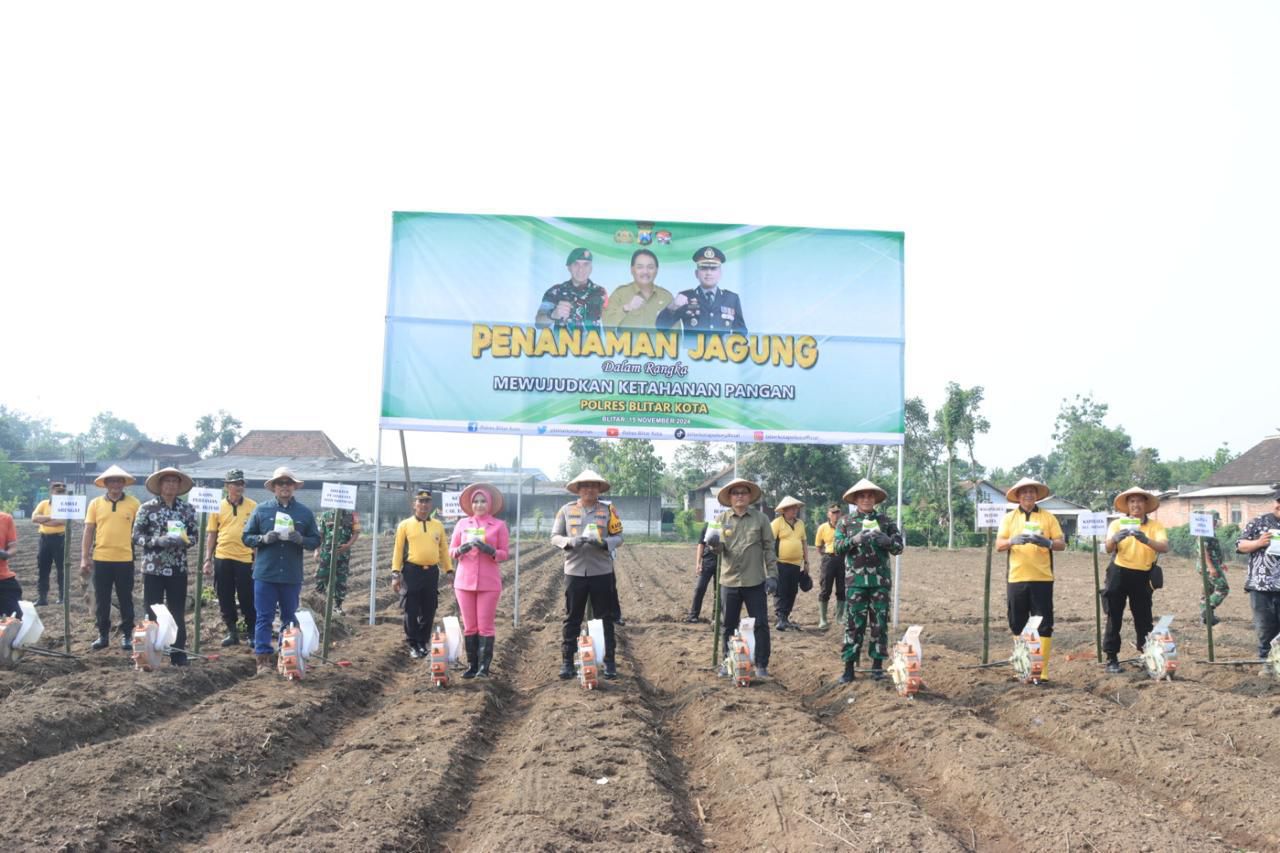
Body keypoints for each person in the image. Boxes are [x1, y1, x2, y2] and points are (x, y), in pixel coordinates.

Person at [242, 467, 320, 675]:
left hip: (291, 574)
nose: (284, 486)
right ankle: (263, 660)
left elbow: (316, 540)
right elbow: (246, 536)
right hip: (265, 573)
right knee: (264, 617)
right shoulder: (261, 510)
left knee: (289, 617)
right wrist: (262, 539)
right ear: (274, 488)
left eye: (288, 483)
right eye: (280, 483)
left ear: (294, 487)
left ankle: (288, 657)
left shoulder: (304, 513)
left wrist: (301, 539)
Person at [551, 469, 623, 681]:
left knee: (605, 618)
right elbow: (554, 536)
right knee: (572, 617)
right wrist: (568, 542)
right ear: (578, 489)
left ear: (599, 489)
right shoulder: (566, 510)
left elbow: (619, 537)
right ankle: (567, 661)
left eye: (594, 486)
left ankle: (609, 661)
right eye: (585, 486)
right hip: (574, 571)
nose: (589, 489)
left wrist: (604, 543)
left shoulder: (608, 510)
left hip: (601, 571)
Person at [833, 478, 904, 683]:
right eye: (862, 496)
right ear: (855, 499)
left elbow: (899, 547)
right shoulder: (845, 522)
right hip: (855, 582)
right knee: (854, 624)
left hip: (879, 582)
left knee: (879, 624)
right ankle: (848, 667)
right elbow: (837, 548)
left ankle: (877, 667)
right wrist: (853, 541)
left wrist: (888, 541)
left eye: (870, 495)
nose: (866, 499)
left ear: (875, 499)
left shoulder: (886, 521)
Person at [995, 477, 1066, 681]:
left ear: (1037, 495)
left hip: (1042, 578)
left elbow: (1061, 543)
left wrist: (1048, 542)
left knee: (1043, 623)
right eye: (1024, 492)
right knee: (1017, 622)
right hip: (1016, 578)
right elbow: (998, 545)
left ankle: (1041, 671)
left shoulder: (1048, 518)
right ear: (1017, 496)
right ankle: (1022, 666)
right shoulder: (1009, 519)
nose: (1028, 495)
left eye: (1032, 492)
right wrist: (1011, 541)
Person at [708, 477, 777, 679]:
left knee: (761, 624)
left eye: (743, 492)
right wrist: (714, 544)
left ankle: (762, 664)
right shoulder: (721, 520)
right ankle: (726, 661)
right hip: (728, 580)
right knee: (727, 624)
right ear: (730, 497)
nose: (739, 496)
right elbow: (718, 550)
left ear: (749, 496)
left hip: (755, 580)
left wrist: (772, 575)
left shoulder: (761, 519)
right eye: (735, 493)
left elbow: (769, 548)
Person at [132, 467, 199, 666]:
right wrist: (156, 541)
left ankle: (178, 654)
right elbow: (136, 536)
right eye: (167, 481)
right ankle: (149, 655)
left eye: (174, 481)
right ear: (160, 485)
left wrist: (184, 541)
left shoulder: (187, 510)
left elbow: (195, 536)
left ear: (179, 486)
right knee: (151, 611)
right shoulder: (146, 508)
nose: (171, 484)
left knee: (177, 611)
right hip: (153, 568)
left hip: (178, 568)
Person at [1102, 487, 1169, 674]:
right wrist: (1115, 539)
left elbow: (1164, 546)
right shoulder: (1117, 524)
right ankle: (1111, 657)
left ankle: (1147, 655)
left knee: (1144, 618)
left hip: (1142, 575)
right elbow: (1107, 548)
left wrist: (1145, 539)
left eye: (1140, 501)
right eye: (1132, 501)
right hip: (1119, 572)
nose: (1136, 505)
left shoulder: (1155, 526)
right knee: (1114, 616)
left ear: (1146, 505)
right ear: (1127, 506)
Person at [450, 483, 509, 678]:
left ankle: (484, 668)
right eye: (475, 501)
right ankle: (472, 665)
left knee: (485, 625)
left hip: (488, 582)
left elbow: (504, 553)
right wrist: (460, 550)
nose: (479, 504)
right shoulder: (462, 524)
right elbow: (451, 550)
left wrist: (490, 550)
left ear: (490, 504)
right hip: (464, 581)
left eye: (483, 501)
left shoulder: (499, 525)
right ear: (471, 504)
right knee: (469, 625)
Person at [81, 465, 141, 651]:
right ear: (106, 484)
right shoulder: (95, 504)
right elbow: (89, 530)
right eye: (112, 481)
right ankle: (103, 635)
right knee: (102, 599)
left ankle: (127, 636)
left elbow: (139, 530)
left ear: (124, 484)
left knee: (125, 598)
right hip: (101, 558)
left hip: (125, 558)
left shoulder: (134, 504)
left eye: (118, 481)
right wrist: (85, 557)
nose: (115, 484)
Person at [392, 490, 453, 659]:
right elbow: (398, 550)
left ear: (430, 505)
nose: (424, 505)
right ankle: (413, 643)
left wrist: (449, 570)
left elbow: (443, 549)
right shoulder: (405, 525)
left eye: (427, 502)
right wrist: (395, 573)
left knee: (429, 608)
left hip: (431, 572)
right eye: (420, 501)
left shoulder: (438, 526)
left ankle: (423, 642)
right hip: (412, 571)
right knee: (411, 608)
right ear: (414, 504)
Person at [202, 469, 257, 647]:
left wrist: (257, 559)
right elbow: (212, 534)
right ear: (227, 486)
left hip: (245, 557)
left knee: (247, 596)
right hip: (223, 556)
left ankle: (251, 632)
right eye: (235, 483)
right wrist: (208, 559)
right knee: (224, 595)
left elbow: (257, 534)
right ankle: (231, 631)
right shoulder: (217, 506)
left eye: (241, 483)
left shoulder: (252, 506)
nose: (239, 487)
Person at [655, 246, 747, 335]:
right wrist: (672, 307)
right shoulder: (686, 297)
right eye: (704, 268)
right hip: (693, 351)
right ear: (696, 273)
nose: (708, 273)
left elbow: (741, 333)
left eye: (713, 268)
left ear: (720, 273)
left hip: (722, 350)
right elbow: (661, 327)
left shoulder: (731, 298)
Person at [1236, 486, 1280, 663]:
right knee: (1265, 628)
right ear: (1275, 503)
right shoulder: (1258, 522)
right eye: (1278, 502)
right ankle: (1266, 663)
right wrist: (1259, 542)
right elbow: (1240, 545)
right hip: (1261, 586)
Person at [534, 248, 607, 331]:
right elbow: (539, 323)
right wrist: (553, 314)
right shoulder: (555, 291)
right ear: (569, 267)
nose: (581, 269)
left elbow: (610, 321)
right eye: (576, 264)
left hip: (593, 343)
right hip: (563, 343)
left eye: (586, 264)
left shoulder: (600, 292)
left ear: (591, 268)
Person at [600, 248, 673, 328]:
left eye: (650, 267)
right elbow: (605, 323)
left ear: (657, 270)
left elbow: (677, 331)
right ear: (632, 270)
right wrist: (627, 308)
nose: (645, 272)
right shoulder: (620, 294)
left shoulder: (666, 297)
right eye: (640, 267)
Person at [770, 495, 810, 631]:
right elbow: (769, 542)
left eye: (796, 508)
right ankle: (780, 617)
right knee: (780, 590)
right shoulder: (777, 523)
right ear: (784, 510)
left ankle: (785, 617)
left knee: (792, 590)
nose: (795, 511)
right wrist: (771, 561)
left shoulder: (800, 524)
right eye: (792, 509)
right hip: (780, 562)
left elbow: (804, 542)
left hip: (795, 564)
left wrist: (806, 561)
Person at [315, 506, 361, 615]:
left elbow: (356, 533)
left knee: (340, 580)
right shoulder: (325, 516)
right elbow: (320, 535)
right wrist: (317, 550)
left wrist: (348, 545)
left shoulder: (352, 516)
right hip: (327, 553)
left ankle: (338, 606)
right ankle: (318, 604)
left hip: (343, 554)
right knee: (321, 576)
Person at [30, 481, 68, 606]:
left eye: (63, 490)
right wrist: (53, 517)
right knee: (43, 568)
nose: (60, 491)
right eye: (58, 490)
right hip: (44, 539)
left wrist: (44, 519)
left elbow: (62, 521)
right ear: (51, 492)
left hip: (60, 539)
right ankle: (42, 597)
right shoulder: (43, 503)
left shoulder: (67, 505)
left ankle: (63, 597)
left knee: (62, 569)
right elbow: (34, 518)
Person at [814, 503, 845, 630]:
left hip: (843, 559)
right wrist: (826, 555)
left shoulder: (844, 527)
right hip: (828, 559)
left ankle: (839, 618)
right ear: (828, 514)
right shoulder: (822, 528)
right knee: (825, 588)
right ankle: (823, 619)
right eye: (833, 513)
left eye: (837, 512)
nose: (835, 515)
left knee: (842, 589)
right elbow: (818, 545)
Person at [684, 519, 720, 623]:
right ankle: (693, 615)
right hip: (707, 562)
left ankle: (716, 618)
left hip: (723, 564)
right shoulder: (708, 525)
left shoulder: (728, 524)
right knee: (699, 588)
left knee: (718, 592)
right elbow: (701, 544)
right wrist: (698, 563)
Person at [1199, 510, 1229, 626]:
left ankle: (1206, 617)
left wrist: (1221, 563)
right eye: (1213, 520)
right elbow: (1203, 551)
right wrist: (1211, 567)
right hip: (1208, 566)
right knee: (1223, 588)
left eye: (1216, 520)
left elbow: (1213, 550)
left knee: (1208, 590)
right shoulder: (1205, 532)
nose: (1215, 523)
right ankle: (1207, 611)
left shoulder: (1210, 532)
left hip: (1212, 564)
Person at [0, 509, 18, 618]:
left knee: (15, 617)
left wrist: (5, 554)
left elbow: (13, 548)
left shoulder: (6, 519)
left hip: (2, 577)